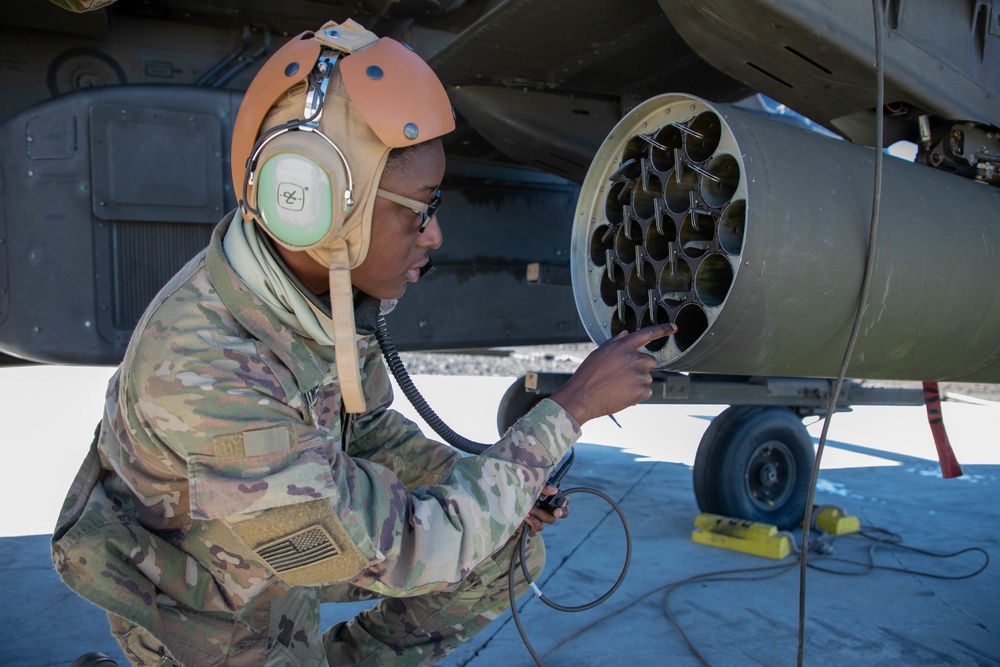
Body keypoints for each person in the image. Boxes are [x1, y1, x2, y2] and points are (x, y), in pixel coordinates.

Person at [51, 19, 675, 667]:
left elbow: (369, 432)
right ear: (319, 205)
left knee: (504, 551)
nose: (433, 236)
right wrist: (566, 411)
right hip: (200, 590)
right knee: (462, 537)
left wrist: (493, 486)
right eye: (421, 208)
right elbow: (404, 550)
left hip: (286, 529)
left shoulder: (316, 291)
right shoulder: (210, 373)